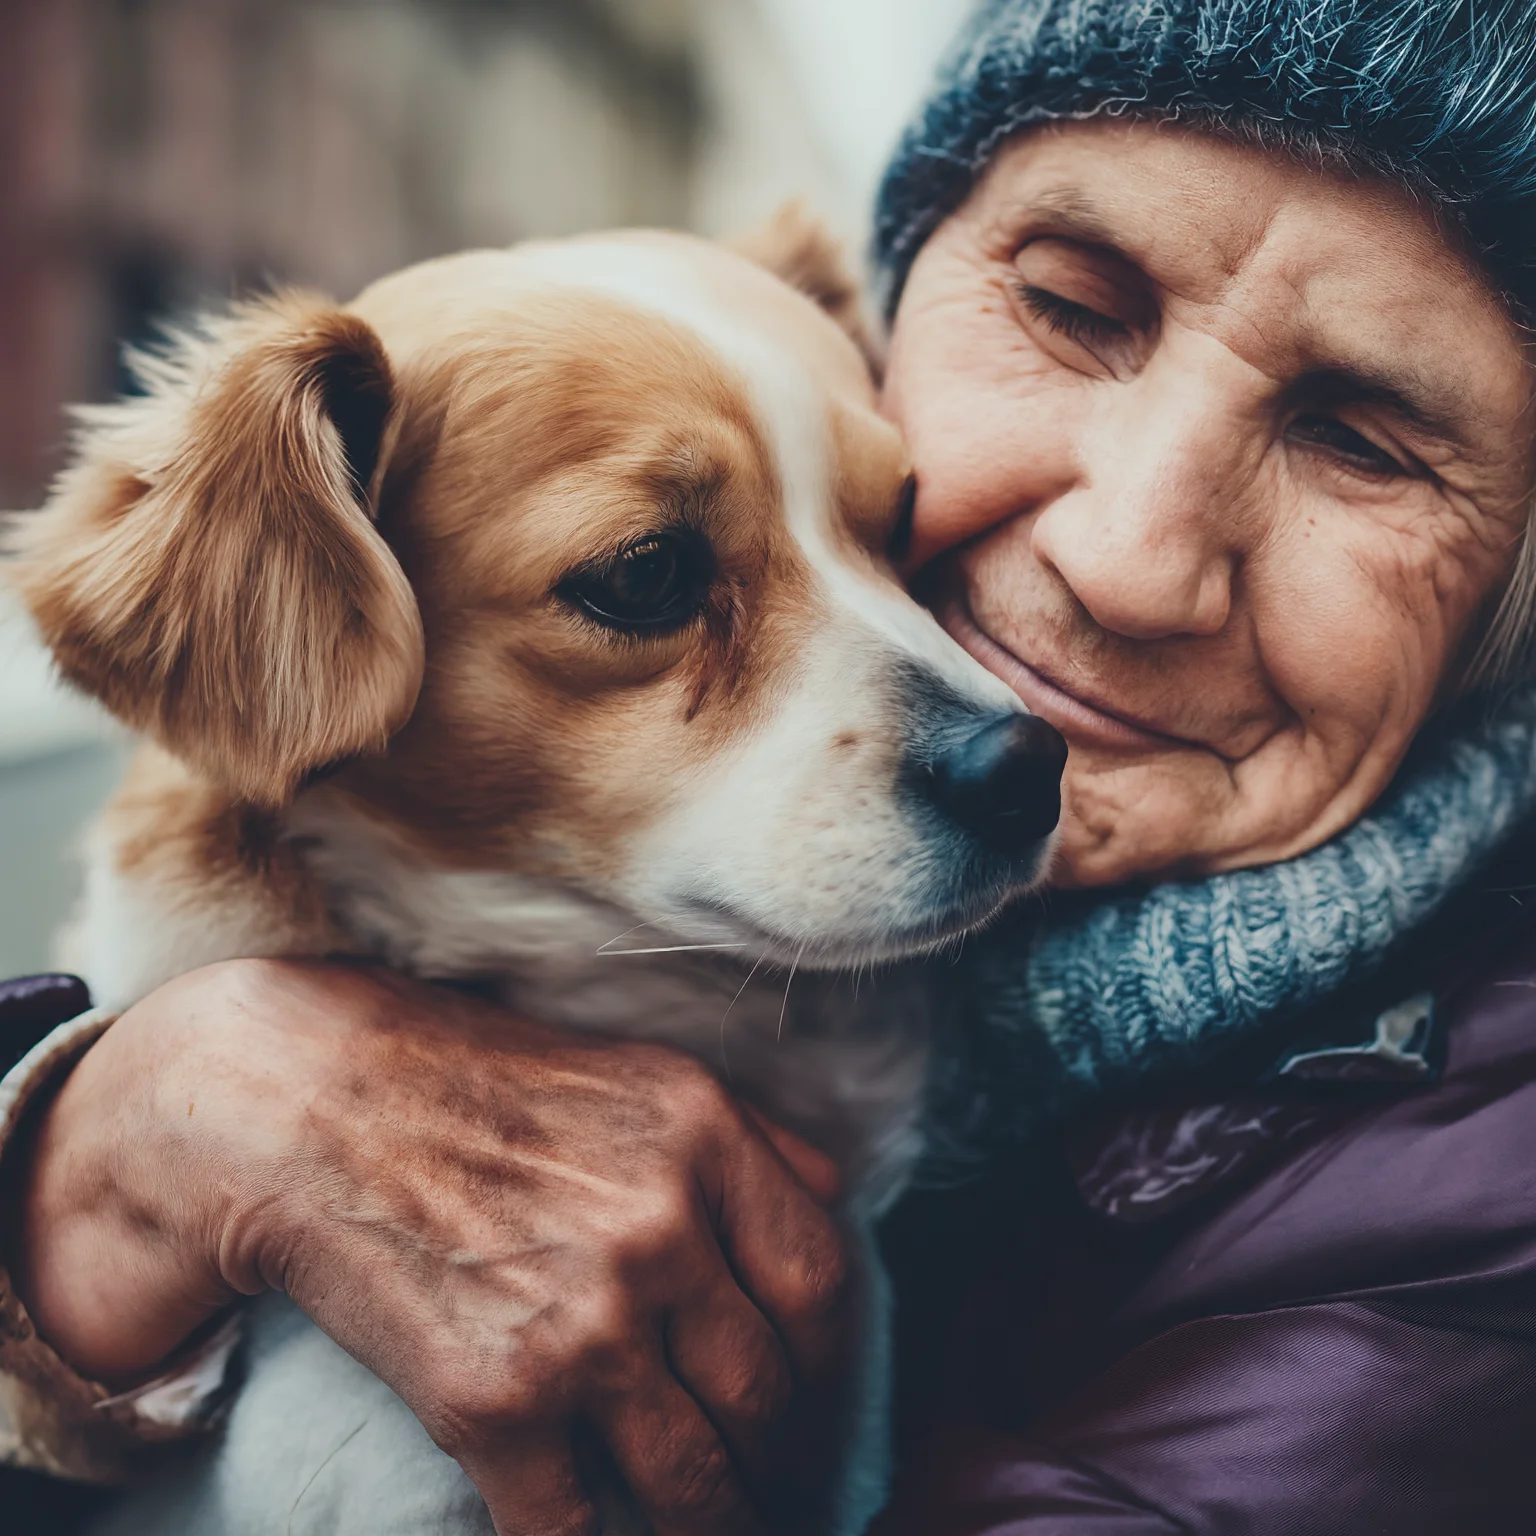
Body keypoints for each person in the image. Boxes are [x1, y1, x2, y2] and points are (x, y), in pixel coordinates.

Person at [6, 0, 1536, 1529]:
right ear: (898, 308)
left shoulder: (1469, 1235)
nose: (1127, 558)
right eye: (1075, 306)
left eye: (1366, 439)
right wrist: (96, 1169)